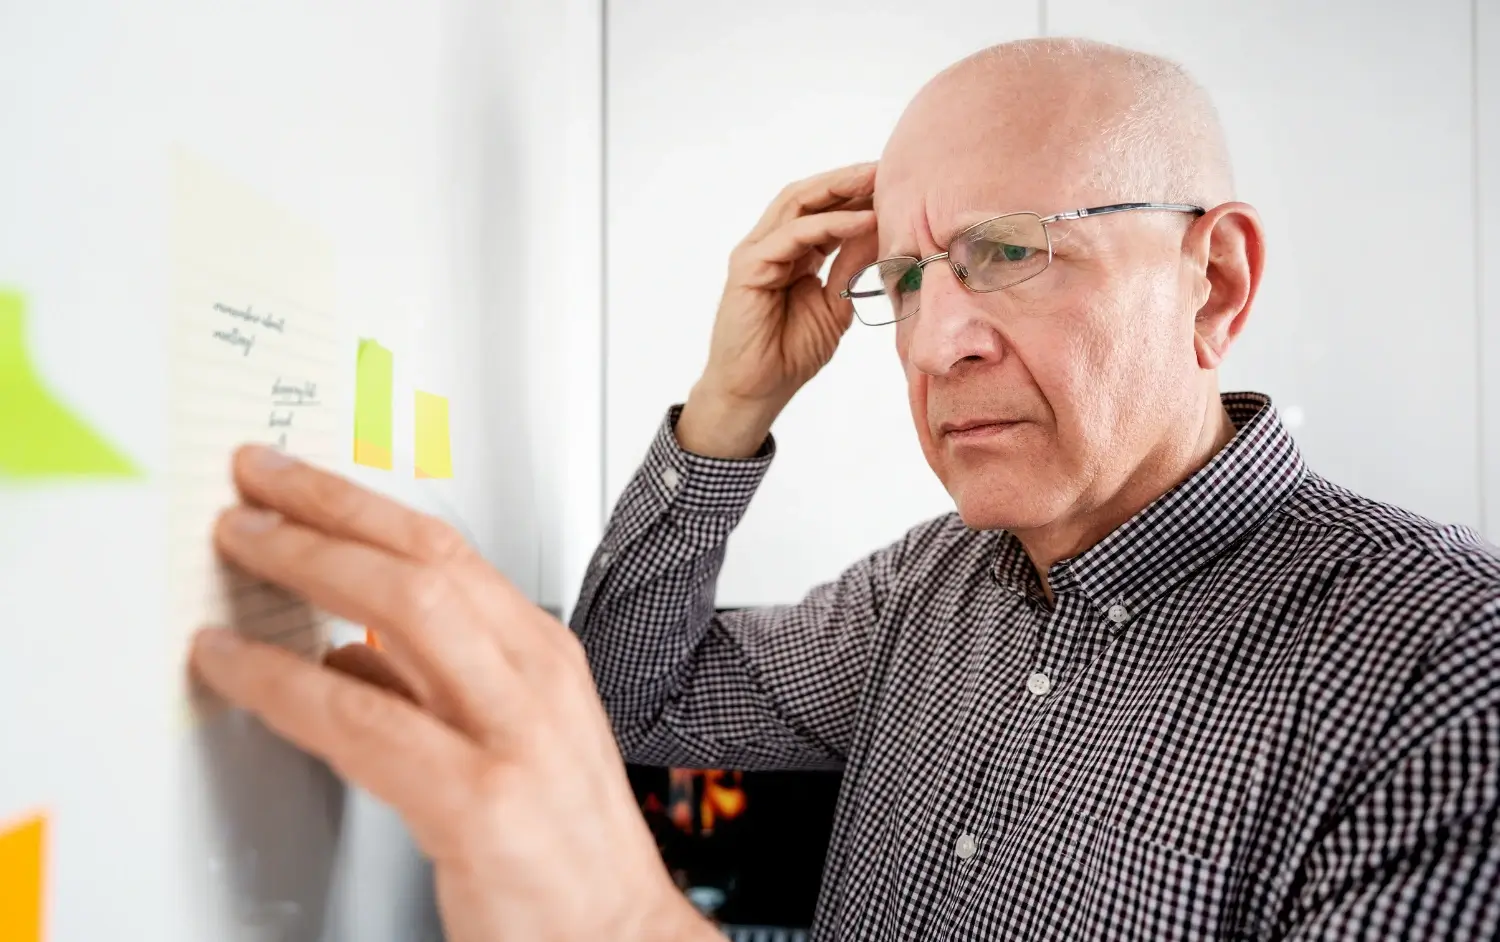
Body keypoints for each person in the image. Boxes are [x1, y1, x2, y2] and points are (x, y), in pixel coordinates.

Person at [190, 36, 1500, 942]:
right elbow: (631, 696)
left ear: (1212, 283)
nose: (937, 344)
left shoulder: (1445, 670)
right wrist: (731, 407)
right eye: (910, 279)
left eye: (1010, 253)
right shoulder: (925, 588)